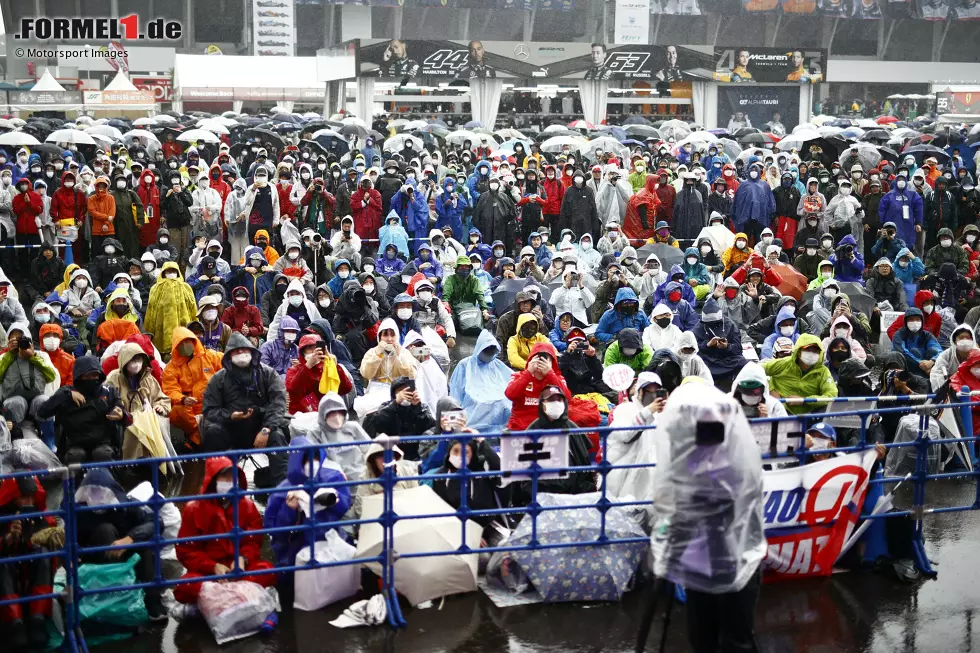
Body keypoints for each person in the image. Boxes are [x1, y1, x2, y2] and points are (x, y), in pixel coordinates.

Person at [173, 457, 277, 604]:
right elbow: (186, 551)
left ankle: (219, 599)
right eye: (224, 477)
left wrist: (242, 558)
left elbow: (253, 540)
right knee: (185, 586)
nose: (229, 481)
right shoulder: (194, 509)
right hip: (208, 573)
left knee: (268, 571)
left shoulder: (247, 505)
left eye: (232, 477)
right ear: (213, 479)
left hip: (240, 571)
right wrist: (213, 567)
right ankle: (241, 596)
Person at [201, 333, 289, 487]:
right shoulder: (218, 379)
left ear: (252, 352)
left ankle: (282, 491)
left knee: (278, 437)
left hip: (261, 428)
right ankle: (216, 487)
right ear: (229, 356)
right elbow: (209, 410)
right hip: (231, 429)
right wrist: (230, 416)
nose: (241, 353)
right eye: (236, 351)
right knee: (212, 432)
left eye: (244, 349)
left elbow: (278, 402)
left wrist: (266, 429)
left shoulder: (267, 373)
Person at [263, 435, 352, 567]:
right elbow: (274, 529)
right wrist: (289, 510)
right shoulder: (282, 491)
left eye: (316, 458)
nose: (312, 463)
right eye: (306, 459)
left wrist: (334, 498)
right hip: (295, 546)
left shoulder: (332, 477)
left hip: (329, 538)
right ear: (297, 461)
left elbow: (345, 505)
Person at [37, 355, 129, 463]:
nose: (91, 379)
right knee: (75, 456)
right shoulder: (66, 392)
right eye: (87, 376)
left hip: (103, 443)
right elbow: (42, 412)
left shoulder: (109, 392)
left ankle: (109, 478)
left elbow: (128, 419)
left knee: (102, 454)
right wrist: (67, 395)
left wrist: (122, 415)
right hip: (74, 444)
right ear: (78, 376)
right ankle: (73, 479)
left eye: (94, 375)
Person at [362, 376, 436, 460]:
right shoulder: (387, 406)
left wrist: (417, 408)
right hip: (392, 453)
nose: (405, 394)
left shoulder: (421, 407)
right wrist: (396, 404)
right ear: (394, 393)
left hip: (416, 454)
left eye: (408, 390)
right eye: (401, 391)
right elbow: (376, 423)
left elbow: (431, 427)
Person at [761, 334, 838, 414]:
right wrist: (771, 388)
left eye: (815, 351)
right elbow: (756, 370)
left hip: (810, 415)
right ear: (798, 351)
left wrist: (804, 400)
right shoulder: (784, 363)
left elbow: (832, 395)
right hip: (781, 412)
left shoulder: (823, 372)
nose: (811, 354)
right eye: (807, 350)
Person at [891, 307, 942, 377]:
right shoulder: (899, 335)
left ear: (922, 321)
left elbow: (938, 350)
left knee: (933, 351)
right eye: (911, 319)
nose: (915, 322)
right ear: (906, 321)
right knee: (912, 352)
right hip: (908, 365)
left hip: (926, 365)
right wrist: (920, 363)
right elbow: (903, 352)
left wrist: (932, 361)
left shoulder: (927, 335)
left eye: (917, 319)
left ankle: (928, 375)